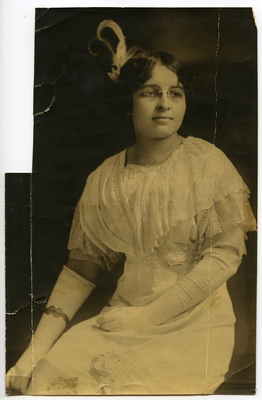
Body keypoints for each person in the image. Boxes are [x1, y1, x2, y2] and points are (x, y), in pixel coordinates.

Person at [6, 20, 256, 395]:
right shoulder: (105, 178)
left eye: (175, 93)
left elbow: (224, 258)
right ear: (128, 102)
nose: (164, 104)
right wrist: (30, 356)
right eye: (150, 92)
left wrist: (147, 317)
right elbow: (81, 270)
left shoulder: (206, 163)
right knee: (51, 378)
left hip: (194, 327)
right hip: (123, 319)